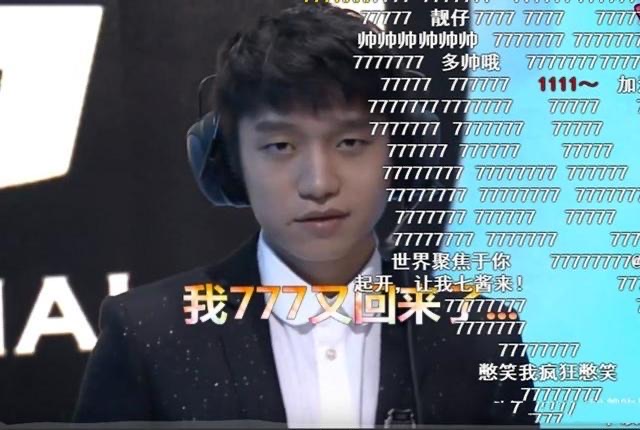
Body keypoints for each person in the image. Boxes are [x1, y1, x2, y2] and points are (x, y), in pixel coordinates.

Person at [73, 4, 538, 427]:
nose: (318, 183)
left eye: (350, 142)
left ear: (402, 150)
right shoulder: (148, 335)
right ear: (229, 162)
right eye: (280, 146)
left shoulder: (478, 334)